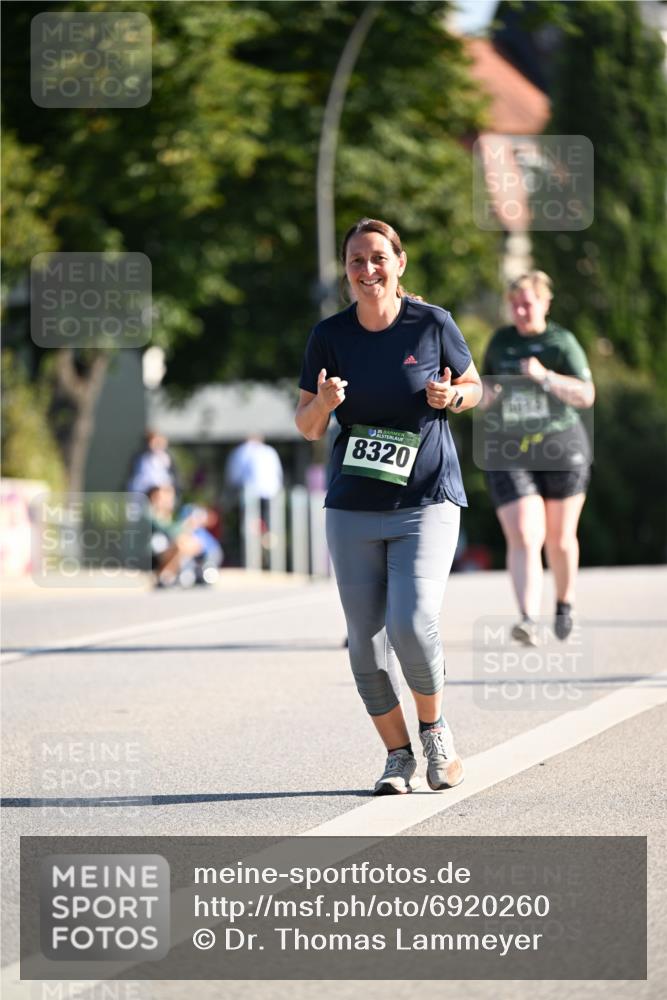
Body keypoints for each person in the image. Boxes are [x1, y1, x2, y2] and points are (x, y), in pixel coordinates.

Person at [295, 217, 482, 796]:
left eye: (378, 257)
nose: (368, 269)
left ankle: (435, 731)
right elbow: (305, 427)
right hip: (353, 505)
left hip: (426, 498)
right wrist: (324, 403)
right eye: (356, 260)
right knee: (365, 645)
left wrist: (452, 395)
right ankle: (396, 755)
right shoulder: (329, 336)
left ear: (400, 263)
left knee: (411, 621)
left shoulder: (433, 324)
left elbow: (476, 387)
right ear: (346, 271)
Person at [480, 270, 595, 646]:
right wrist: (479, 394)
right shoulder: (500, 342)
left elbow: (586, 395)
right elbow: (484, 388)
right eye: (514, 304)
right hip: (511, 447)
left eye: (527, 303)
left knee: (559, 539)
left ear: (545, 303)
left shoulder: (561, 342)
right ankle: (528, 617)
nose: (520, 310)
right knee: (525, 532)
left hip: (561, 446)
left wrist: (545, 377)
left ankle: (564, 603)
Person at [147, 484, 223, 588]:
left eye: (170, 497)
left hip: (173, 549)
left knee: (190, 542)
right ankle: (166, 575)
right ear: (154, 498)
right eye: (164, 497)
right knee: (182, 544)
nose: (168, 500)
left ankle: (188, 572)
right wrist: (187, 525)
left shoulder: (171, 516)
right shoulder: (150, 515)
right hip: (154, 554)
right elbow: (169, 531)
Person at [127, 430, 179, 496]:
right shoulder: (139, 457)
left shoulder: (167, 457)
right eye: (154, 441)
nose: (157, 444)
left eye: (159, 441)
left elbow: (174, 477)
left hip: (161, 492)